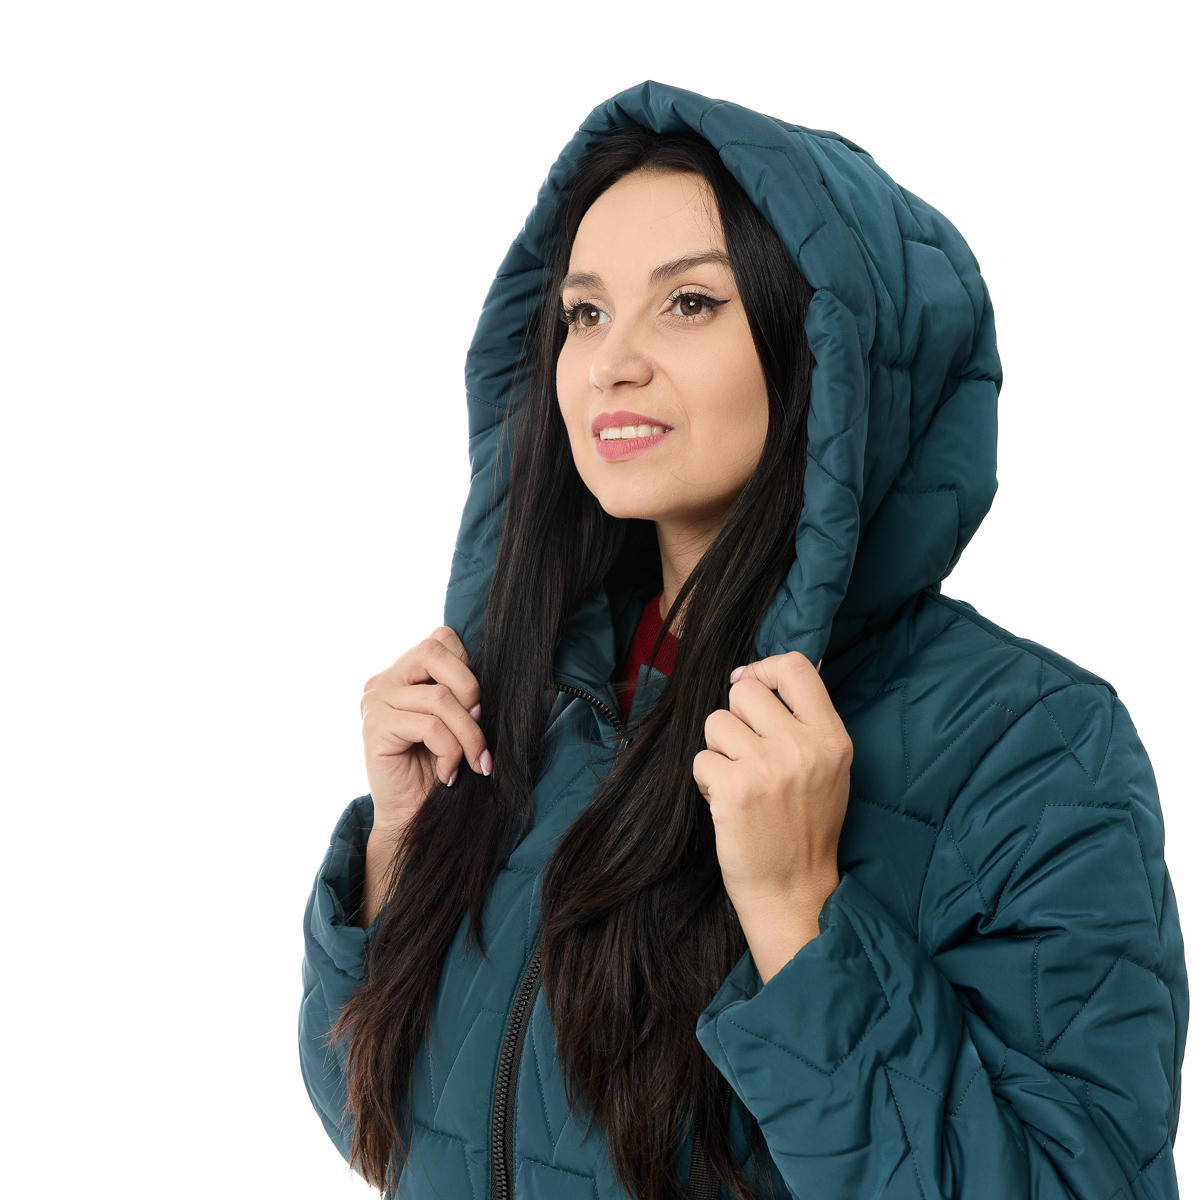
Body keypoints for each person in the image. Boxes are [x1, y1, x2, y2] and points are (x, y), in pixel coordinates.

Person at [299, 81, 1187, 1200]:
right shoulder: (531, 698)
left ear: (826, 349)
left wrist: (798, 915)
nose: (611, 362)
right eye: (584, 314)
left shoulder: (1033, 750)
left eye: (689, 304)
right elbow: (389, 1131)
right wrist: (401, 851)